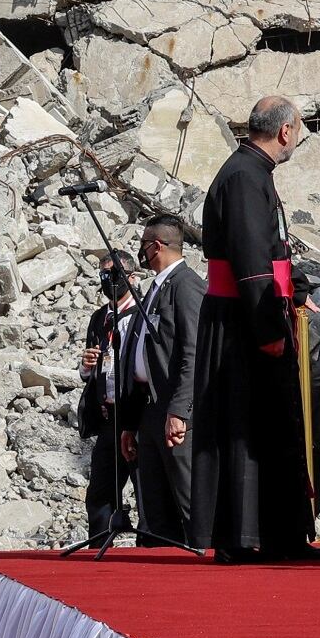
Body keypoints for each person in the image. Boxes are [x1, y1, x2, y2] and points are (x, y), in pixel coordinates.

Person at [189, 96, 320, 563]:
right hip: (246, 322)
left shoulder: (248, 171)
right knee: (250, 425)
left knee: (261, 425)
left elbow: (272, 250)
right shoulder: (247, 177)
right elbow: (252, 261)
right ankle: (250, 538)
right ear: (286, 131)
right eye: (300, 131)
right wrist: (270, 326)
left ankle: (271, 535)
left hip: (247, 313)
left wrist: (299, 289)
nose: (299, 139)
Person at [120, 214, 204, 545]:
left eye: (142, 245)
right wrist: (130, 421)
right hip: (149, 411)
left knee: (186, 501)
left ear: (156, 246)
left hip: (174, 412)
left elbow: (193, 353)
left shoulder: (186, 286)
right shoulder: (156, 288)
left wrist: (180, 411)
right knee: (153, 510)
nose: (140, 252)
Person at [78, 252, 140, 539]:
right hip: (107, 417)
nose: (108, 281)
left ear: (131, 276)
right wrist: (87, 366)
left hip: (138, 416)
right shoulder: (99, 318)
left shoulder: (142, 312)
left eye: (114, 274)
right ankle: (98, 546)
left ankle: (152, 549)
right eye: (103, 275)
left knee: (146, 489)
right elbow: (91, 371)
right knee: (100, 492)